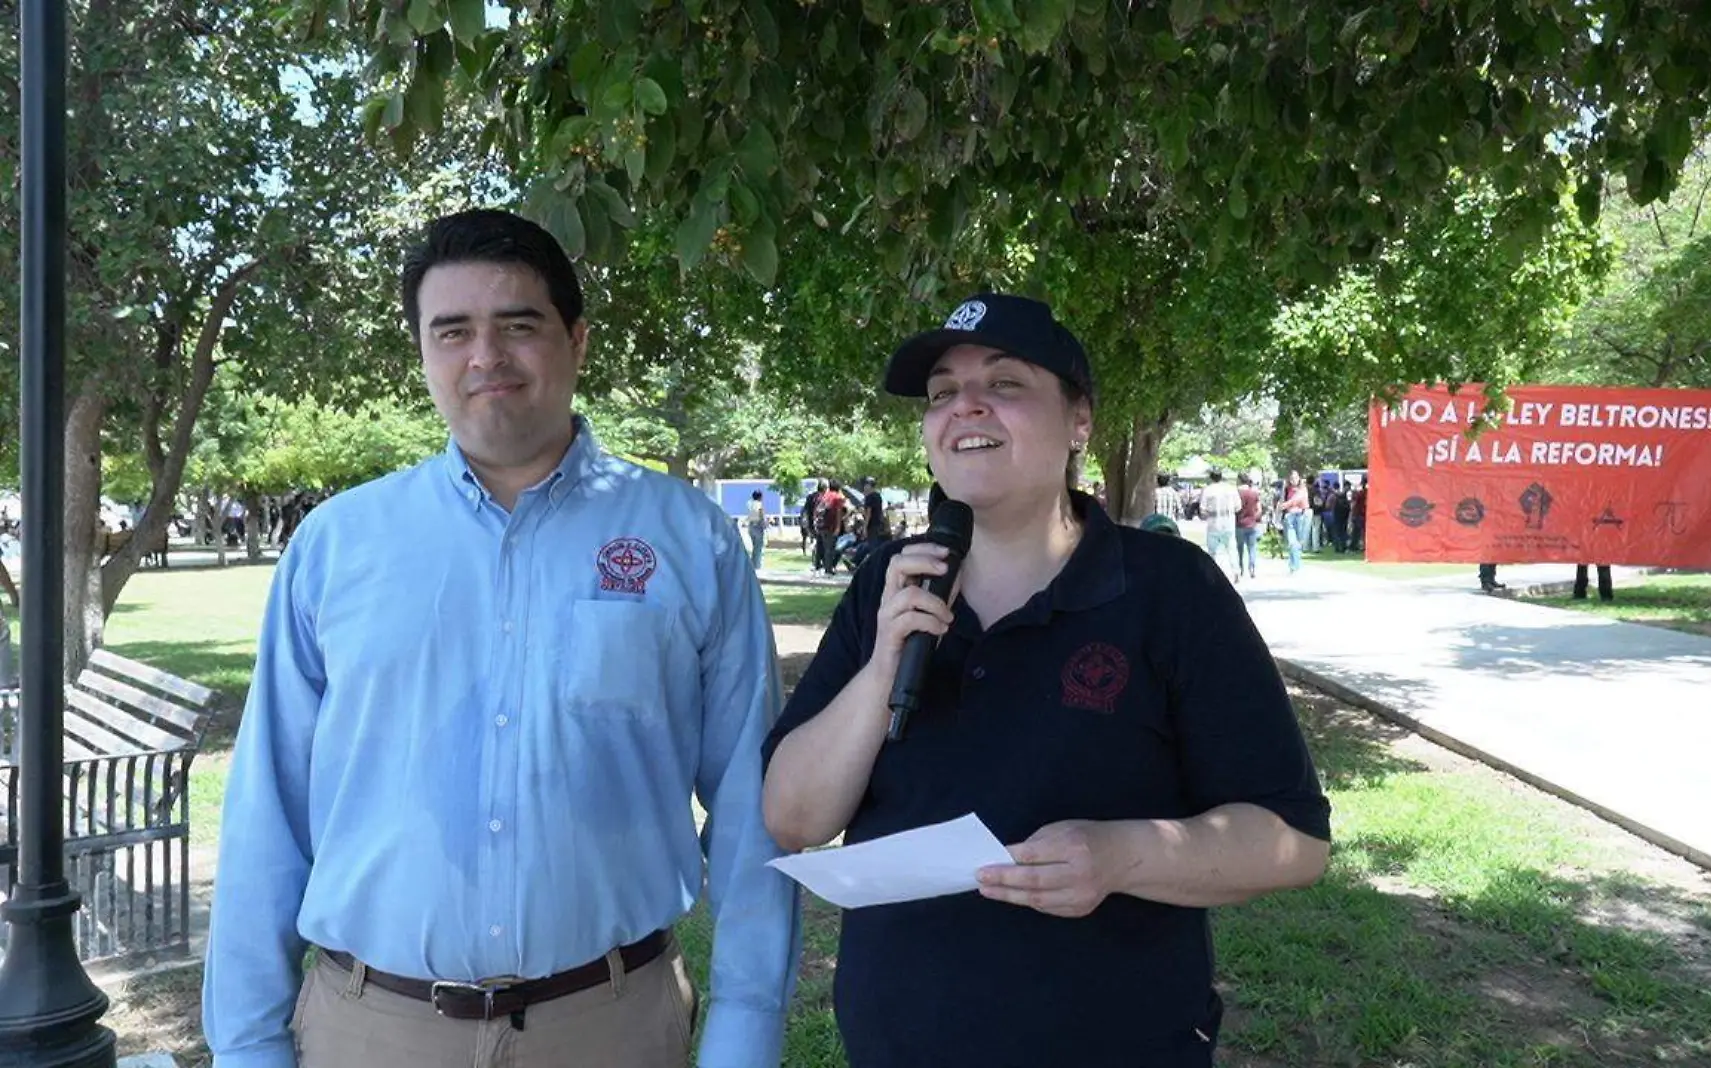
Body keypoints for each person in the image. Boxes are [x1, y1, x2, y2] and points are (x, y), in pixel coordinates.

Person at [203, 209, 800, 1068]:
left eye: (519, 325)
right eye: (453, 331)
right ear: (422, 351)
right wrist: (248, 1046)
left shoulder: (690, 542)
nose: (485, 356)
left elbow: (751, 812)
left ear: (577, 340)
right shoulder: (336, 547)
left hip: (613, 1027)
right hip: (371, 1029)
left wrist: (744, 1035)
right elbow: (269, 813)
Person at [760, 293, 1331, 1068]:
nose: (964, 406)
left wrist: (1121, 856)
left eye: (1004, 384)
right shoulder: (888, 587)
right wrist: (883, 663)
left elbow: (1294, 841)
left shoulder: (1170, 590)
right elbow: (794, 820)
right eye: (941, 392)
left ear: (1080, 421)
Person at [1199, 468, 1242, 582]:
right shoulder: (1231, 489)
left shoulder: (1207, 490)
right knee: (1232, 549)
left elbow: (1203, 510)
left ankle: (1212, 574)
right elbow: (1238, 507)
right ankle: (1236, 572)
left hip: (1213, 524)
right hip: (1228, 523)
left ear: (1211, 477)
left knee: (1212, 551)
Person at [1280, 471, 1311, 572]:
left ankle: (1295, 565)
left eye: (1295, 477)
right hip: (1290, 516)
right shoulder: (1287, 489)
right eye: (1291, 478)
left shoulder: (1303, 489)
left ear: (1299, 478)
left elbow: (1297, 499)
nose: (1293, 480)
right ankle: (1293, 565)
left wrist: (1286, 505)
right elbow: (1281, 500)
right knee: (1291, 542)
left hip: (1300, 515)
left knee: (1298, 543)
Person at [1235, 473, 1263, 580]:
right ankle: (1252, 568)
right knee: (1252, 547)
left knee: (1239, 548)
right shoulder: (1254, 493)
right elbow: (1259, 509)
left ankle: (1241, 568)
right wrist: (1254, 518)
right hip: (1251, 524)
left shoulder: (1236, 493)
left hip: (1239, 524)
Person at [746, 488, 768, 571]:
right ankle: (757, 566)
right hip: (758, 526)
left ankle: (753, 564)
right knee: (758, 547)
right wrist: (765, 524)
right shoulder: (759, 504)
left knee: (755, 546)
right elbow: (761, 515)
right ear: (760, 497)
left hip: (751, 526)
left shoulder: (749, 504)